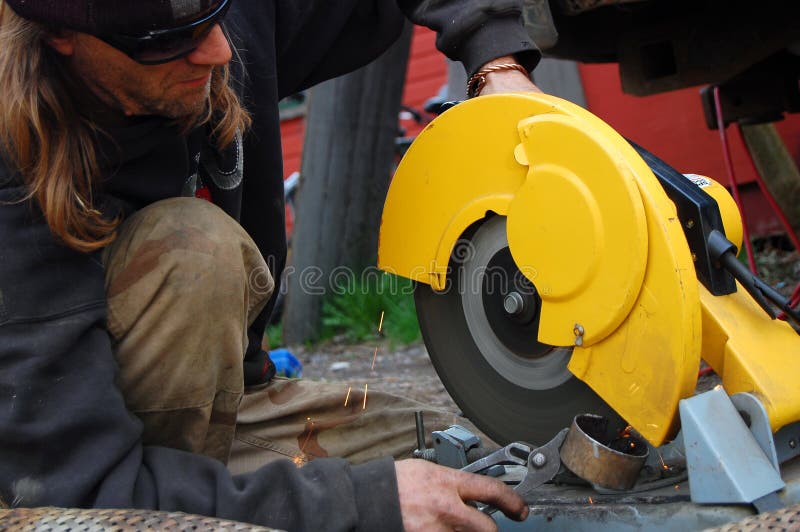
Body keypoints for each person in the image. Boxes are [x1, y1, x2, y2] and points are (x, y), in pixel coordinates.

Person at [0, 0, 542, 530]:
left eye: (215, 18)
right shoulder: (14, 180)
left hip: (232, 408)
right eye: (168, 42)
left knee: (480, 469)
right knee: (193, 249)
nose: (219, 51)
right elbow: (81, 492)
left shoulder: (219, 29)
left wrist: (495, 61)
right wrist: (363, 502)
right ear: (61, 35)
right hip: (86, 467)